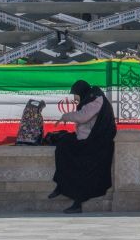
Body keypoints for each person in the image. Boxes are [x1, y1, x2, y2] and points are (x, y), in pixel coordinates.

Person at [45, 79, 116, 214]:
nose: (74, 98)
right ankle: (61, 185)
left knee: (81, 168)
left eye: (75, 95)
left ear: (80, 92)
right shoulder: (90, 98)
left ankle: (77, 203)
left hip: (96, 142)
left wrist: (65, 116)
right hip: (88, 139)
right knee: (63, 145)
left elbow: (83, 117)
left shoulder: (95, 100)